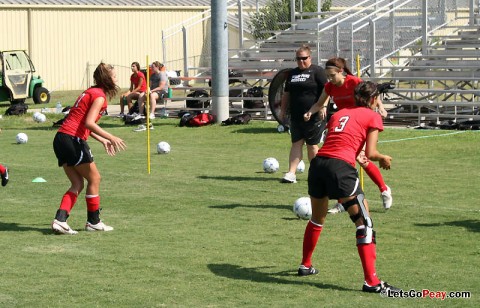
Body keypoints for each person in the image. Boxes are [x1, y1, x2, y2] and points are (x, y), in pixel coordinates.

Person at [298, 81, 400, 294]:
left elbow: (341, 140)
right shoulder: (373, 116)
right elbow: (371, 153)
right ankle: (372, 282)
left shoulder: (340, 113)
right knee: (365, 225)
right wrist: (383, 158)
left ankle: (305, 265)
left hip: (318, 164)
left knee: (317, 219)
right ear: (373, 99)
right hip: (339, 168)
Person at [304, 57, 392, 211]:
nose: (330, 79)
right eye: (328, 76)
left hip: (359, 124)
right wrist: (310, 112)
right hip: (344, 124)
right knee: (349, 161)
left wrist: (381, 107)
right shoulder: (330, 87)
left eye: (332, 75)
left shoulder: (353, 82)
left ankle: (383, 190)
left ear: (341, 71)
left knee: (360, 159)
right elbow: (319, 103)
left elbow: (371, 93)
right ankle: (345, 200)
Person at [51, 62, 126, 235]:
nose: (116, 80)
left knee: (77, 183)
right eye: (114, 76)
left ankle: (60, 220)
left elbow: (81, 123)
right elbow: (89, 123)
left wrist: (101, 140)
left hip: (61, 139)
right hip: (72, 140)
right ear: (107, 79)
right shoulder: (99, 96)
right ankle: (93, 222)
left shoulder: (89, 92)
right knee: (95, 179)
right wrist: (111, 137)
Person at [279, 45, 328, 184]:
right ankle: (291, 173)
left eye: (304, 58)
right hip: (296, 115)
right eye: (298, 59)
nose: (301, 61)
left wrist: (322, 106)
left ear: (310, 57)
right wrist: (282, 111)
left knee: (312, 145)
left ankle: (315, 173)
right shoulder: (292, 73)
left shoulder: (317, 71)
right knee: (296, 143)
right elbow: (286, 93)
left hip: (313, 115)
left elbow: (327, 90)